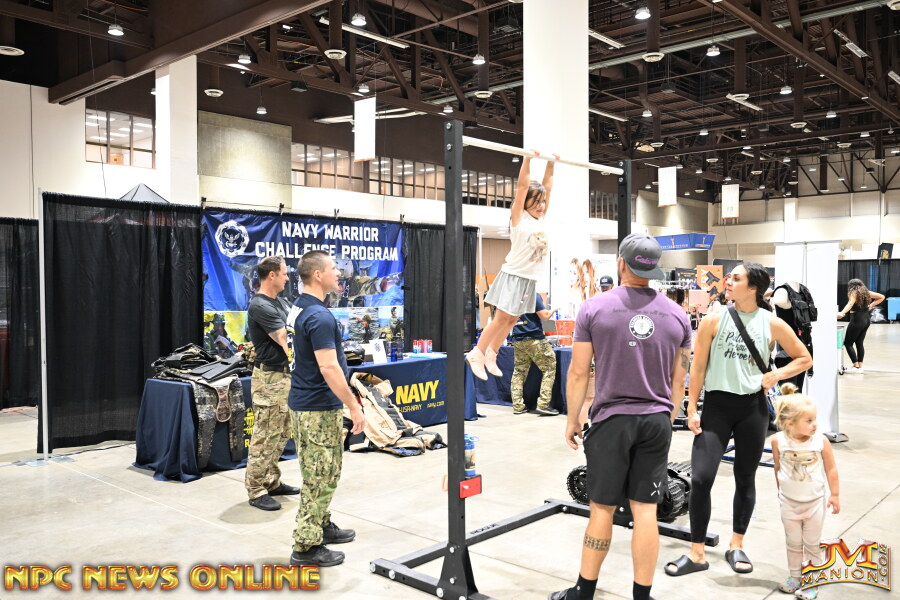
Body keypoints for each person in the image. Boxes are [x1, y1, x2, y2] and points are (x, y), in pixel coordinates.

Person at [551, 233, 692, 600]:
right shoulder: (678, 315)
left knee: (602, 509)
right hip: (656, 420)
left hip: (611, 421)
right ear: (654, 268)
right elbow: (680, 379)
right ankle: (642, 596)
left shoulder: (594, 309)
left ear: (620, 263)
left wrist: (572, 419)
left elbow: (578, 372)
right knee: (646, 511)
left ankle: (583, 592)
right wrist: (667, 415)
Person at [665, 262, 812, 578]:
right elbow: (698, 368)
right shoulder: (714, 319)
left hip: (752, 410)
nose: (728, 282)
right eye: (729, 277)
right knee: (701, 478)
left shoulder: (772, 323)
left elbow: (804, 358)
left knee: (745, 478)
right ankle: (697, 552)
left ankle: (736, 544)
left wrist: (777, 374)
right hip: (716, 408)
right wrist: (692, 409)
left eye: (736, 278)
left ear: (754, 287)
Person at [286, 250, 366, 567]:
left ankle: (321, 524)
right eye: (333, 268)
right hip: (317, 408)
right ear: (318, 275)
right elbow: (329, 368)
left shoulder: (300, 307)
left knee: (321, 471)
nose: (339, 273)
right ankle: (306, 545)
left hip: (305, 403)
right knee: (320, 476)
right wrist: (354, 406)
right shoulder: (319, 316)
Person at [466, 151, 557, 381]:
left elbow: (547, 186)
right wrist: (527, 160)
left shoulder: (542, 219)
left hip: (528, 280)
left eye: (543, 202)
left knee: (513, 320)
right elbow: (522, 187)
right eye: (536, 202)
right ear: (525, 203)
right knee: (500, 319)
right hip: (513, 275)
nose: (541, 206)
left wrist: (550, 163)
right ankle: (476, 353)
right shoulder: (518, 218)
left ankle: (492, 353)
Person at [771, 383, 840, 600]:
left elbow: (831, 468)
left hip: (814, 503)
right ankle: (795, 577)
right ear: (790, 423)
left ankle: (811, 582)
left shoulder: (821, 441)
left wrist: (835, 494)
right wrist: (781, 492)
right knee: (793, 542)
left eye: (815, 419)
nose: (815, 424)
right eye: (808, 420)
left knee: (811, 545)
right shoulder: (778, 441)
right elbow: (777, 468)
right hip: (788, 503)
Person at [245, 257, 300, 511]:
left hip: (284, 377)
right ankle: (256, 489)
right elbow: (285, 338)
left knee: (281, 433)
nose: (288, 278)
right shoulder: (260, 305)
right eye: (284, 274)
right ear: (271, 276)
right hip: (269, 380)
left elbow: (296, 329)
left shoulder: (281, 301)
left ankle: (271, 481)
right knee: (265, 435)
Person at [509, 293, 558, 416]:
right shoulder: (533, 295)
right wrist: (554, 309)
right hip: (534, 338)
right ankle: (543, 404)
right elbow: (545, 316)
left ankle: (518, 405)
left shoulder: (513, 295)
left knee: (519, 371)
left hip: (517, 338)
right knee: (549, 367)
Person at [838, 278, 884, 373]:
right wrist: (871, 305)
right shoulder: (866, 292)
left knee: (848, 343)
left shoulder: (853, 292)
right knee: (859, 343)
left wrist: (841, 313)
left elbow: (850, 304)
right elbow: (881, 297)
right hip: (866, 320)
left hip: (857, 320)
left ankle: (856, 367)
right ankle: (860, 367)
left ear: (851, 286)